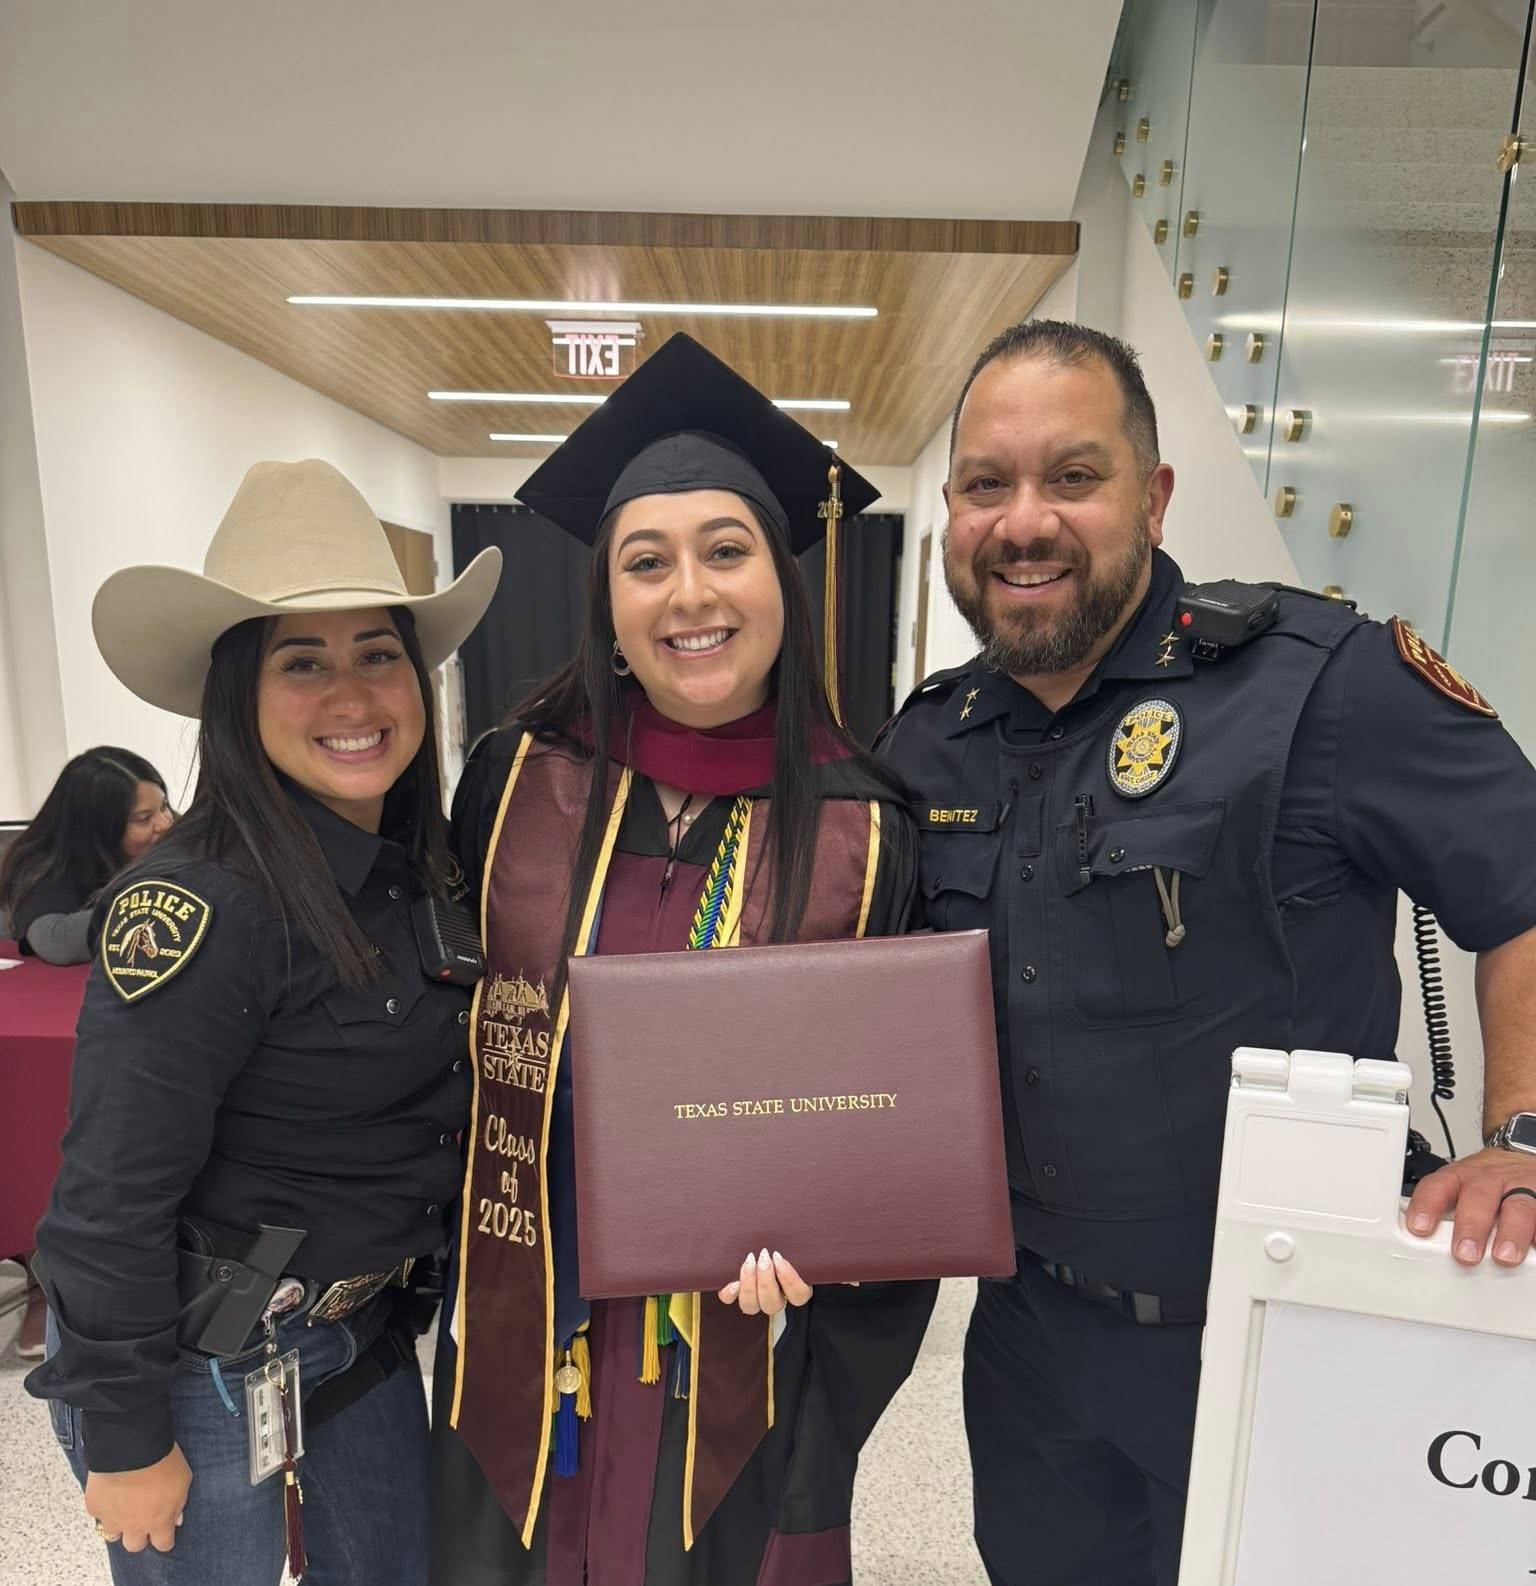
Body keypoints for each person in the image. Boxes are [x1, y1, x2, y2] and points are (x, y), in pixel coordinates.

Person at [875, 318, 1536, 1586]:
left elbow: (1521, 887)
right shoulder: (927, 744)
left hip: (1294, 1329)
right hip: (1032, 1348)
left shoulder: (1320, 683)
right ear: (952, 512)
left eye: (1074, 476)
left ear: (1155, 494)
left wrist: (1521, 1135)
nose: (1025, 522)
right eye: (987, 484)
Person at [431, 333, 937, 1586]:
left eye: (726, 549)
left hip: (744, 1361)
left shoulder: (869, 826)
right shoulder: (511, 781)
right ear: (606, 602)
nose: (689, 594)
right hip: (526, 1322)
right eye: (646, 561)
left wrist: (829, 1245)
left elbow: (895, 1126)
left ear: (783, 581)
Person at [26, 458, 501, 1585]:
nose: (352, 696)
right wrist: (126, 1434)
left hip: (358, 1333)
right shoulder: (204, 901)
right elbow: (108, 1193)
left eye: (377, 653)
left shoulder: (417, 867)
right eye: (302, 662)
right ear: (236, 694)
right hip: (196, 1358)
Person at [0, 746, 174, 964]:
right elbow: (56, 941)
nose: (165, 823)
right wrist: (156, 903)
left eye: (164, 806)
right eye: (143, 818)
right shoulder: (44, 866)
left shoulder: (180, 837)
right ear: (99, 828)